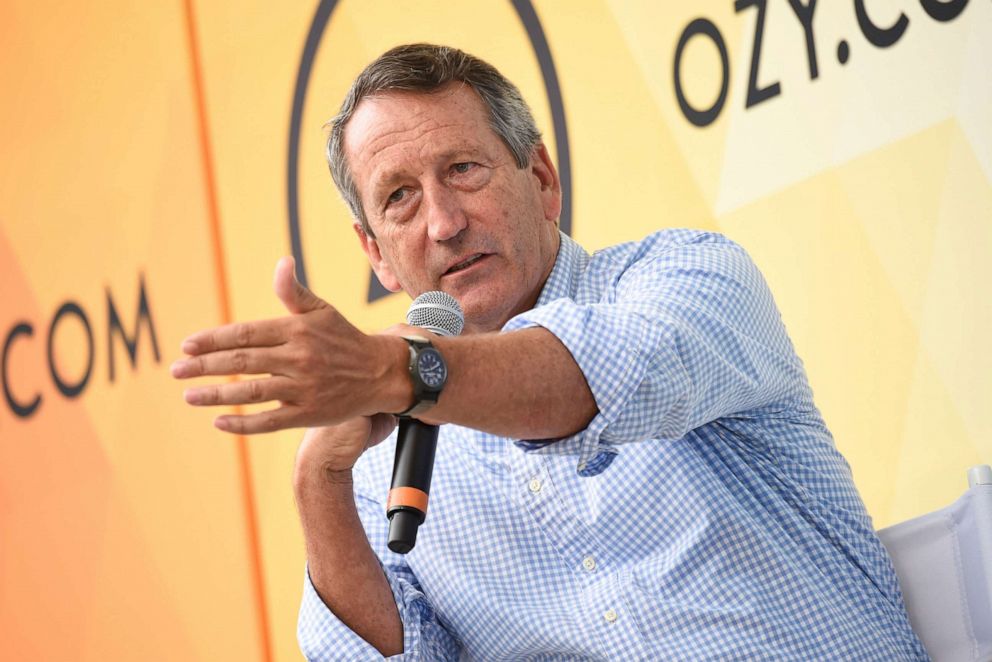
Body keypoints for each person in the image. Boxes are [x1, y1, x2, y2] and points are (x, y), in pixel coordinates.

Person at [172, 44, 927, 660]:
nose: (441, 223)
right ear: (374, 253)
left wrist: (399, 374)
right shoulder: (375, 466)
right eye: (399, 197)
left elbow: (597, 376)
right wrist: (321, 478)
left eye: (463, 170)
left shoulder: (687, 277)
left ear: (541, 178)